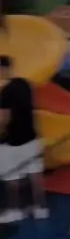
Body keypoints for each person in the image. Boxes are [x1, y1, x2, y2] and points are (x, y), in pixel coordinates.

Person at [0, 55, 48, 222]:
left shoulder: (6, 92)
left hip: (12, 142)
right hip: (31, 138)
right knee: (35, 175)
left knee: (11, 177)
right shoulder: (26, 85)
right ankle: (41, 209)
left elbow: (4, 120)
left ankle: (14, 211)